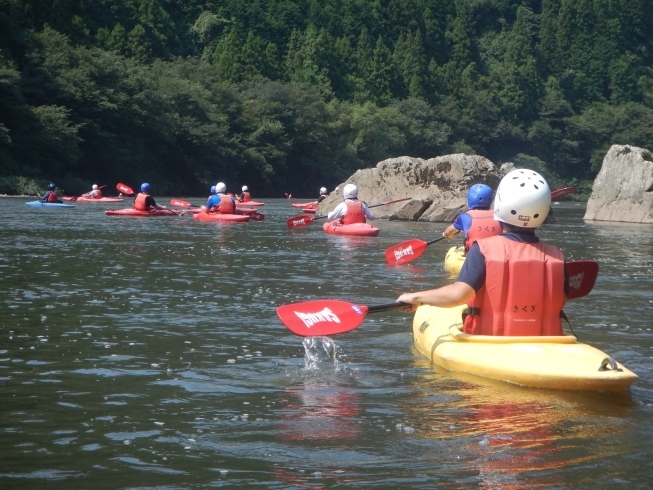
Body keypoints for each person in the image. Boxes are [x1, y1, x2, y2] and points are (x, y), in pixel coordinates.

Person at [398, 169, 566, 337]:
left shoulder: (482, 250)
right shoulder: (556, 257)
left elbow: (457, 296)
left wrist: (415, 297)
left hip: (490, 342)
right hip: (546, 342)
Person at [442, 184, 501, 253]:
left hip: (474, 258)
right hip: (496, 256)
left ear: (470, 199)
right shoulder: (499, 216)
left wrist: (446, 234)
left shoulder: (464, 217)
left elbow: (448, 232)